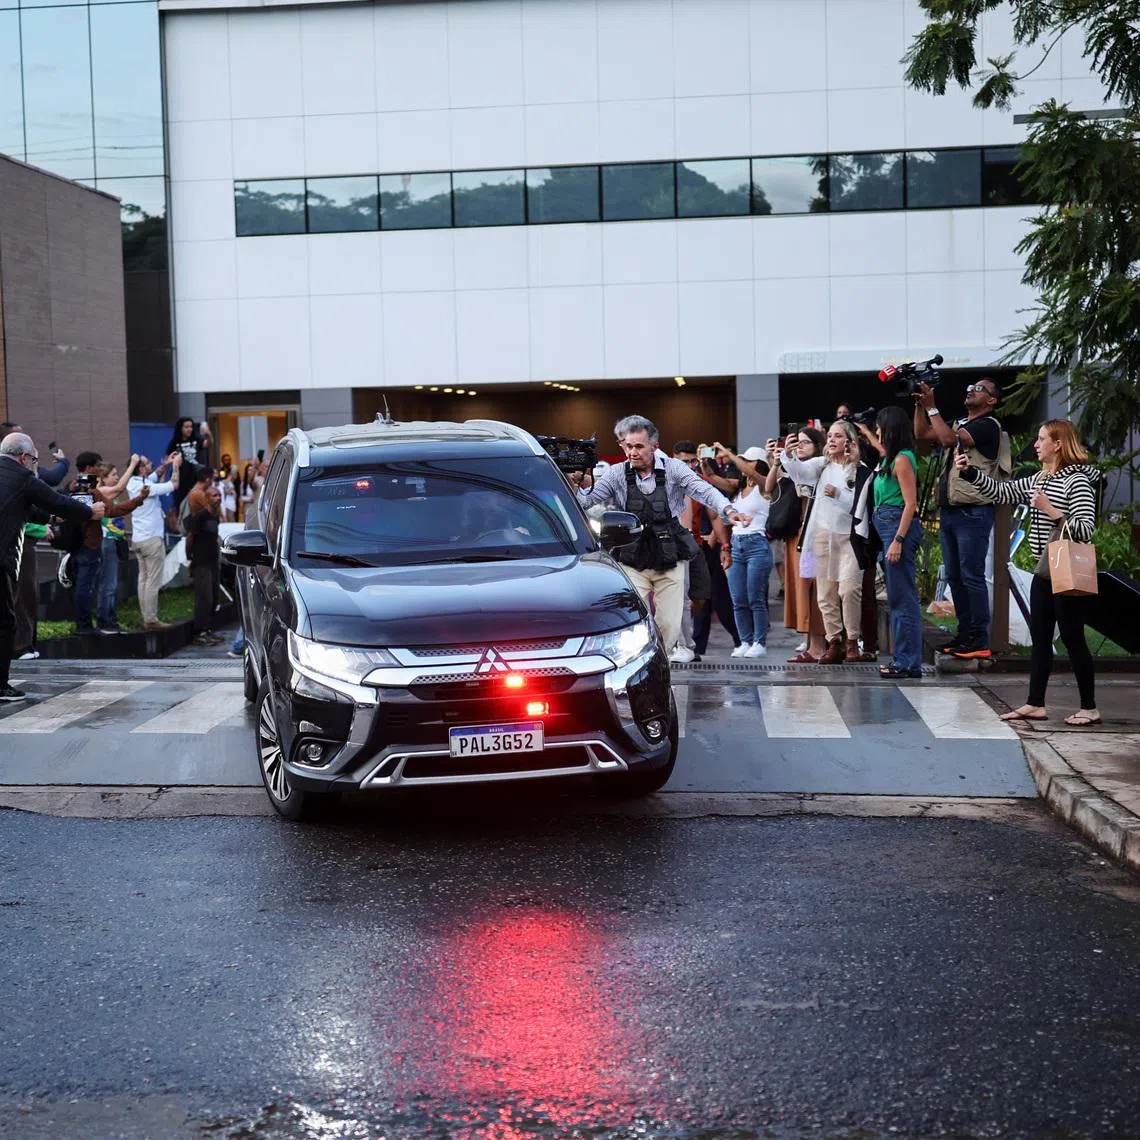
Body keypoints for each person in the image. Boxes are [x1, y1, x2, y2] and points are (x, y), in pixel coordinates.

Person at [956, 420, 1099, 726]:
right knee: (1041, 639)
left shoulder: (1077, 481)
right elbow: (1003, 492)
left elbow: (1086, 528)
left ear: (1058, 444)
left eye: (1042, 438)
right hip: (1044, 571)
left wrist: (1051, 510)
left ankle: (1089, 707)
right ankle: (1035, 703)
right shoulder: (1041, 478)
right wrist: (970, 473)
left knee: (1073, 638)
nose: (1036, 444)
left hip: (1066, 571)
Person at [570, 415, 749, 655]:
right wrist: (571, 484)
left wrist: (729, 509)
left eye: (639, 446)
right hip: (632, 557)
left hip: (669, 556)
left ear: (654, 447)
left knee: (668, 626)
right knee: (634, 621)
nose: (633, 452)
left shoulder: (675, 469)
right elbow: (587, 501)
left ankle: (659, 665)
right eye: (629, 446)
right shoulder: (616, 473)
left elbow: (704, 491)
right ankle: (638, 665)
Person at [0, 432, 104, 701]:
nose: (33, 464)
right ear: (24, 457)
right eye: (33, 459)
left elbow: (28, 509)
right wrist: (90, 512)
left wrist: (53, 517)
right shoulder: (21, 477)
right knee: (5, 622)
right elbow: (55, 500)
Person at [914, 376, 1008, 660]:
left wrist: (932, 407)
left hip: (973, 511)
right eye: (969, 387)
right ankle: (964, 635)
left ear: (991, 399)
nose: (971, 391)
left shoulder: (987, 426)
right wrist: (920, 405)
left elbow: (946, 439)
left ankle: (979, 637)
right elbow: (921, 434)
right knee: (955, 577)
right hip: (952, 512)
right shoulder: (960, 423)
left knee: (971, 576)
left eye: (978, 388)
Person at [780, 421, 864, 665]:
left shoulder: (859, 469)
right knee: (825, 594)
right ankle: (834, 641)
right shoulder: (822, 464)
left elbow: (858, 505)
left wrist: (837, 494)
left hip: (850, 537)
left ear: (849, 441)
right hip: (822, 534)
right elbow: (798, 473)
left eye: (838, 436)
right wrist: (787, 454)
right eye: (830, 436)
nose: (832, 440)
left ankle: (852, 641)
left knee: (849, 590)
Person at [867, 407, 923, 679]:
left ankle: (908, 662)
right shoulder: (891, 458)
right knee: (898, 597)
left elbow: (910, 503)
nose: (878, 432)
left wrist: (898, 540)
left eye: (880, 427)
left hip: (897, 528)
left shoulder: (902, 459)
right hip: (887, 526)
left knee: (903, 599)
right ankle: (905, 660)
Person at [67, 452, 148, 637]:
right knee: (86, 587)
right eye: (97, 465)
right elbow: (99, 513)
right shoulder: (84, 488)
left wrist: (137, 500)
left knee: (87, 586)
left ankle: (87, 624)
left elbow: (110, 510)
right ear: (88, 468)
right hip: (88, 545)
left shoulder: (82, 487)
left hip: (86, 545)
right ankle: (85, 625)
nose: (100, 468)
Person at [766, 427, 827, 663]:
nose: (799, 446)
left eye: (805, 443)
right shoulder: (792, 468)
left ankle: (819, 645)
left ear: (817, 446)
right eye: (797, 442)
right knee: (800, 589)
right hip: (795, 535)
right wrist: (776, 460)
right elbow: (770, 486)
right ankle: (813, 644)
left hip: (811, 536)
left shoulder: (820, 467)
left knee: (810, 589)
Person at [716, 445, 773, 658]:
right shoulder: (739, 489)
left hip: (757, 544)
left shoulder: (764, 485)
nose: (744, 465)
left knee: (755, 597)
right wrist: (707, 465)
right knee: (738, 598)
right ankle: (745, 641)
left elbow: (750, 473)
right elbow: (714, 480)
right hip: (737, 543)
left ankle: (759, 641)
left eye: (749, 461)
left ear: (758, 463)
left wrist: (728, 453)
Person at [127, 452, 182, 631]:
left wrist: (165, 464)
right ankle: (151, 620)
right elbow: (174, 484)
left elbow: (154, 475)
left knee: (143, 579)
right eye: (147, 463)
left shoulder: (134, 482)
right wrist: (175, 466)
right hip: (152, 540)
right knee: (153, 581)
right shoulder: (146, 488)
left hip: (139, 540)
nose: (151, 464)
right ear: (141, 468)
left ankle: (146, 617)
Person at [186, 484, 223, 646]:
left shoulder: (215, 516)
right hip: (201, 562)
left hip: (213, 561)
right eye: (214, 495)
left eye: (219, 495)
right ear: (206, 498)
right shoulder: (200, 516)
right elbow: (190, 537)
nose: (218, 498)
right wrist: (190, 558)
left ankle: (208, 629)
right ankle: (198, 632)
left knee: (213, 597)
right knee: (204, 597)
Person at [166, 417, 211, 509]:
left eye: (191, 427)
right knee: (182, 505)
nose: (189, 429)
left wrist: (208, 434)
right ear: (180, 428)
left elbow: (208, 444)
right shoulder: (174, 442)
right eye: (186, 427)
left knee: (199, 504)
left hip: (197, 476)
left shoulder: (197, 439)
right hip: (182, 479)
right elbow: (167, 459)